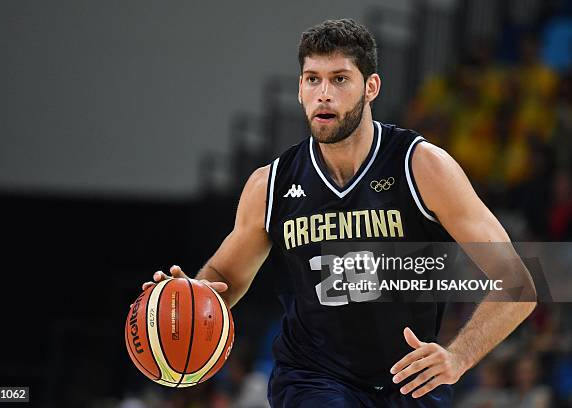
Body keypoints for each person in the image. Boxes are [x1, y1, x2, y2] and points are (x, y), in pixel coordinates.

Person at [142, 19, 536, 407]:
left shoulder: (422, 168)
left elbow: (518, 283)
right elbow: (224, 278)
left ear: (371, 87)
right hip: (311, 379)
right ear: (299, 89)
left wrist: (458, 357)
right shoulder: (271, 185)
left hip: (409, 382)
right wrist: (186, 299)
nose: (323, 94)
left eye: (340, 79)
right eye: (312, 79)